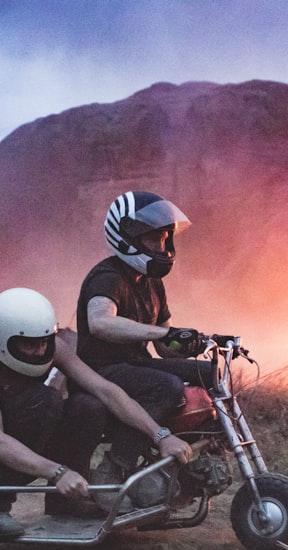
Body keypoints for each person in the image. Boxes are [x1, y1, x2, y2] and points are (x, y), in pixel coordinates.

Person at [0, 287, 193, 539]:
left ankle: (66, 502)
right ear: (2, 338)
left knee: (88, 406)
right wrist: (58, 472)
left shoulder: (55, 349)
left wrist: (161, 435)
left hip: (27, 433)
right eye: (30, 345)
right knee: (47, 401)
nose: (40, 351)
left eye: (44, 341)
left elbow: (107, 391)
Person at [76, 191, 210, 504]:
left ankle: (198, 456)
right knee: (166, 387)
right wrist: (157, 333)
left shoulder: (151, 282)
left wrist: (191, 342)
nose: (162, 246)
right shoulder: (107, 276)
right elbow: (99, 323)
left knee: (210, 374)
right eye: (154, 239)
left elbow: (163, 345)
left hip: (135, 364)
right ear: (127, 238)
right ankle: (115, 469)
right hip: (100, 368)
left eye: (165, 238)